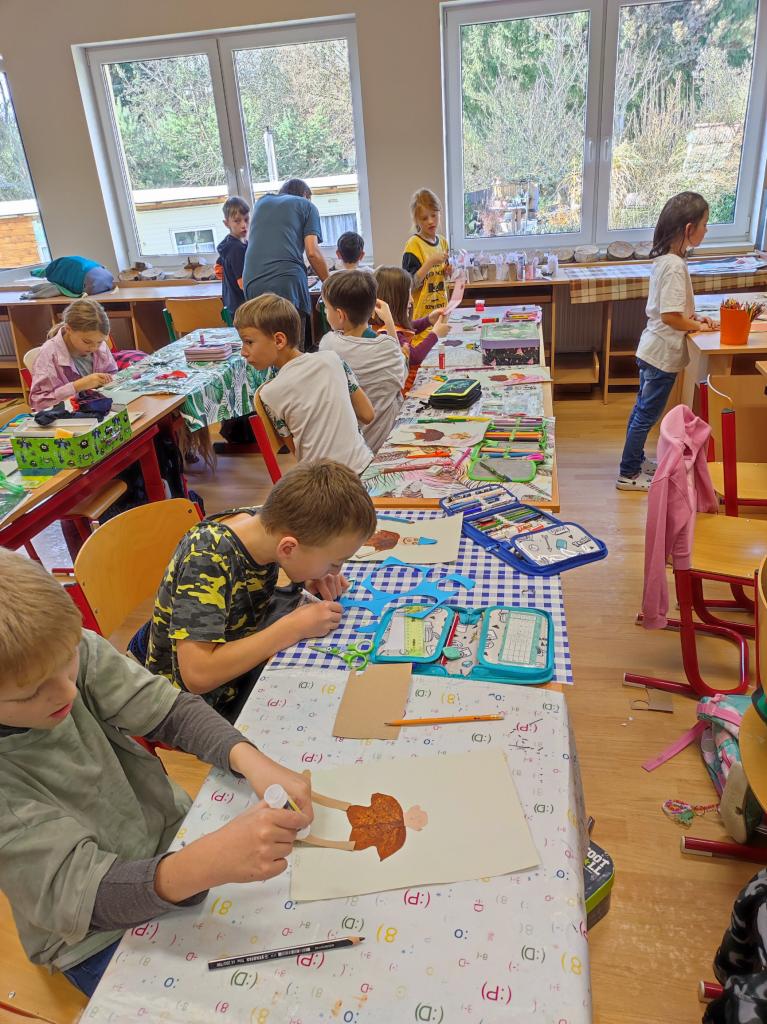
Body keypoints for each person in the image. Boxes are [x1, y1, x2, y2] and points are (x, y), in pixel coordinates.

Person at [0, 548, 313, 996]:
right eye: (31, 693)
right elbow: (87, 897)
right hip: (95, 932)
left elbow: (170, 711)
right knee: (243, 997)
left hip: (169, 842)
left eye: (69, 661)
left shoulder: (54, 650)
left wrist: (250, 759)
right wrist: (203, 865)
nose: (66, 690)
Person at [142, 459, 377, 721]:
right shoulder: (207, 558)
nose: (336, 571)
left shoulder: (267, 524)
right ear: (288, 548)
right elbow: (197, 675)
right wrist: (292, 628)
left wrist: (310, 577)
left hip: (237, 661)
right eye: (334, 562)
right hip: (192, 706)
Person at [617, 192, 717, 491]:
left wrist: (695, 318)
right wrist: (694, 325)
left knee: (641, 412)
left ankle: (634, 461)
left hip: (653, 349)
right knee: (645, 416)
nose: (706, 230)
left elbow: (674, 310)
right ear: (689, 228)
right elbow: (671, 316)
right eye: (704, 224)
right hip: (661, 355)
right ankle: (628, 473)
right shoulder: (674, 265)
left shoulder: (667, 261)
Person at [238, 294, 374, 473]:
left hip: (320, 481)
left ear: (279, 340)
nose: (243, 352)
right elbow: (367, 414)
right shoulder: (332, 359)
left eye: (248, 342)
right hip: (364, 467)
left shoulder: (268, 394)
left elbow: (297, 453)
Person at [318, 270, 406, 453]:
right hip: (387, 443)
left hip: (350, 448)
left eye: (326, 307)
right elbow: (402, 373)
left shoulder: (328, 345)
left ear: (340, 315)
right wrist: (389, 322)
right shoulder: (387, 347)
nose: (325, 312)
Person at [242, 178, 329, 350]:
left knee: (266, 349)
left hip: (252, 282)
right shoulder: (307, 206)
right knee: (292, 351)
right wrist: (330, 284)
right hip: (287, 283)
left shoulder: (262, 202)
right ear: (305, 195)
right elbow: (312, 252)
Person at [29, 298, 117, 412]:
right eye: (87, 342)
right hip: (70, 415)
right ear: (68, 329)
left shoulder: (99, 345)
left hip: (99, 407)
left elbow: (112, 374)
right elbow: (39, 404)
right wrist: (77, 386)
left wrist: (109, 380)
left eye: (100, 342)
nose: (94, 348)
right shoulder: (49, 355)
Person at [374, 265, 450, 391]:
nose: (411, 299)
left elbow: (406, 329)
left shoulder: (391, 327)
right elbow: (414, 357)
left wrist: (428, 320)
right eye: (408, 294)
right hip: (407, 391)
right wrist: (435, 334)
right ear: (395, 299)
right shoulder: (386, 333)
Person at [402, 188, 450, 322]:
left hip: (441, 313)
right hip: (421, 319)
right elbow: (409, 286)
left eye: (434, 215)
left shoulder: (443, 242)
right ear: (416, 220)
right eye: (424, 218)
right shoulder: (413, 245)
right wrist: (430, 263)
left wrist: (447, 272)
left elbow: (441, 277)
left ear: (439, 213)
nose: (430, 221)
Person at [216, 195, 250, 317]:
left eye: (246, 219)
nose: (244, 225)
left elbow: (218, 268)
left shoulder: (228, 243)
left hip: (232, 304)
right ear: (226, 223)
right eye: (237, 221)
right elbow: (243, 284)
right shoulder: (236, 248)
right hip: (242, 308)